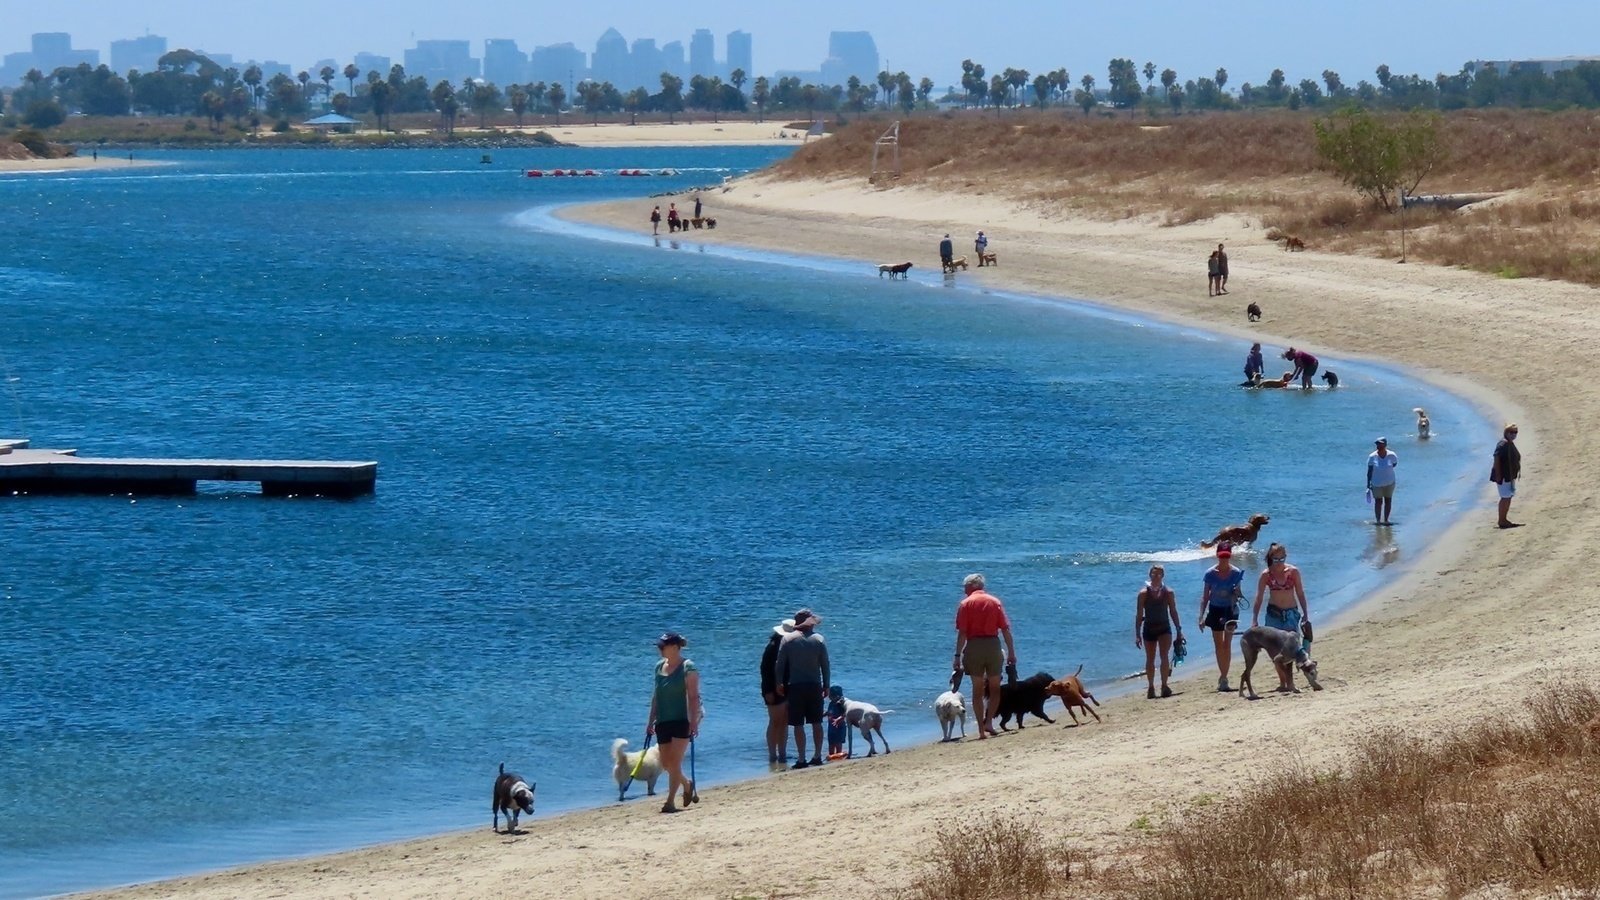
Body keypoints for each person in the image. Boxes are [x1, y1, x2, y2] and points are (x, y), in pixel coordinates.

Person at [954, 573, 1018, 739]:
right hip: (993, 645)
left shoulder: (965, 604)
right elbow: (1005, 629)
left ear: (970, 587)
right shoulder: (994, 602)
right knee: (995, 688)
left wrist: (957, 656)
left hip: (974, 646)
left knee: (977, 689)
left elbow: (962, 633)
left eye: (964, 587)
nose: (964, 590)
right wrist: (1011, 652)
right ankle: (989, 721)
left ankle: (981, 731)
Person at [647, 632, 701, 814]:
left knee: (675, 762)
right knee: (666, 763)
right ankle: (687, 784)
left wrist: (694, 722)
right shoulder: (658, 667)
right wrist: (650, 720)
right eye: (659, 646)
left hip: (682, 720)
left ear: (675, 647)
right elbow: (656, 696)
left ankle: (670, 802)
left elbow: (694, 697)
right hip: (663, 721)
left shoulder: (688, 667)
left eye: (663, 646)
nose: (659, 649)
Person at [775, 608, 829, 769]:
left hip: (796, 686)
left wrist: (779, 683)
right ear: (810, 624)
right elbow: (825, 665)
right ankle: (818, 755)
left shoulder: (788, 640)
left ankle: (801, 758)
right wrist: (826, 684)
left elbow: (780, 664)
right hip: (814, 685)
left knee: (798, 724)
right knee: (817, 722)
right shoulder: (818, 640)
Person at [1197, 541, 1245, 692]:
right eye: (1221, 556)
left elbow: (1239, 594)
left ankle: (1224, 677)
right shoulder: (1210, 574)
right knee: (1219, 645)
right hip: (1216, 610)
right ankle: (1223, 676)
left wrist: (1236, 592)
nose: (1224, 559)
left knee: (1227, 644)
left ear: (1230, 556)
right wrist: (1201, 617)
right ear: (1217, 555)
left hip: (1230, 610)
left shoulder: (1236, 573)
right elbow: (1205, 597)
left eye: (1227, 556)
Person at [1252, 542, 1311, 653]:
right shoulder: (1266, 575)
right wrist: (1254, 619)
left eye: (1282, 559)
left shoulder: (1293, 572)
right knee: (1275, 650)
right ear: (1271, 558)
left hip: (1291, 614)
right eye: (1276, 560)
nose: (1279, 563)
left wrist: (1306, 614)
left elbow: (1300, 593)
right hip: (1274, 614)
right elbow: (1259, 597)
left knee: (1292, 647)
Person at [1134, 565, 1182, 699]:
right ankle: (1150, 687)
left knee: (1164, 656)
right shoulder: (1143, 593)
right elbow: (1139, 615)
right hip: (1149, 628)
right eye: (1154, 574)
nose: (1156, 577)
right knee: (1150, 658)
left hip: (1164, 627)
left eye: (1159, 574)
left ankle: (1164, 685)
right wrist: (1137, 634)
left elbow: (1173, 611)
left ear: (1163, 576)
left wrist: (1179, 630)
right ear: (1150, 575)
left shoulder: (1168, 592)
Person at [760, 619, 795, 763]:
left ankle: (782, 753)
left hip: (788, 687)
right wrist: (768, 690)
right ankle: (772, 754)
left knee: (785, 722)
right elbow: (765, 670)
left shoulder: (791, 646)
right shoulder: (772, 647)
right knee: (775, 721)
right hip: (772, 689)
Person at [1491, 423, 1522, 528]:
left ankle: (1504, 519)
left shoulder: (1509, 443)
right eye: (1511, 432)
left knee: (1508, 496)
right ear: (1506, 433)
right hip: (1503, 476)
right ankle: (1502, 520)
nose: (1514, 434)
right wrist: (1499, 475)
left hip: (1509, 475)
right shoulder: (1502, 444)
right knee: (1505, 497)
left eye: (1515, 432)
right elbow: (1496, 459)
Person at [1367, 437, 1398, 525]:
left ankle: (1386, 520)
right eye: (1377, 444)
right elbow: (1369, 471)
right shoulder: (1372, 457)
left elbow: (1394, 464)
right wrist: (1368, 485)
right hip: (1376, 483)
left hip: (1390, 482)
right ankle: (1378, 521)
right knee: (1378, 502)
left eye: (1380, 444)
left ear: (1385, 445)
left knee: (1388, 500)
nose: (1378, 446)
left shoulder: (1392, 455)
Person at [825, 685, 848, 759]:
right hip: (831, 728)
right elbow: (829, 712)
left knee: (838, 744)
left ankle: (841, 754)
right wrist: (823, 714)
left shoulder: (840, 704)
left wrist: (839, 719)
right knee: (831, 745)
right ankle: (832, 756)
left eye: (831, 696)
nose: (829, 697)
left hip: (839, 728)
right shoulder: (831, 703)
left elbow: (845, 713)